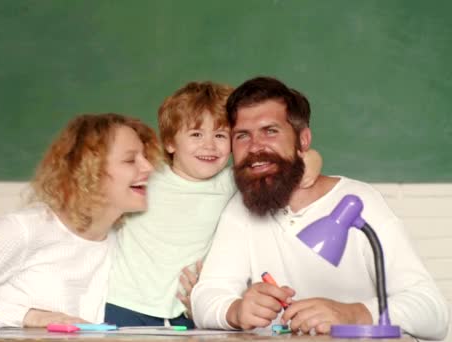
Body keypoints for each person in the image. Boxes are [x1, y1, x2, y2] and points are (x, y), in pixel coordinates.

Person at [191, 76, 449, 340]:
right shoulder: (241, 209)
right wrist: (235, 310)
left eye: (270, 131)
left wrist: (353, 314)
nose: (255, 146)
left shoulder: (358, 201)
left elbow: (432, 312)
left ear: (303, 141)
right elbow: (207, 296)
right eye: (243, 135)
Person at [106, 81, 322, 328]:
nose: (209, 145)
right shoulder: (148, 175)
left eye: (220, 135)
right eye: (196, 134)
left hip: (186, 311)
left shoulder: (230, 182)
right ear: (170, 142)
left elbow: (305, 158)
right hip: (124, 303)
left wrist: (311, 162)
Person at [0, 113, 161, 328]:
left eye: (145, 157)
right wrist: (29, 317)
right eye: (131, 160)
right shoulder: (25, 229)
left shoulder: (123, 239)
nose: (149, 167)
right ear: (89, 169)